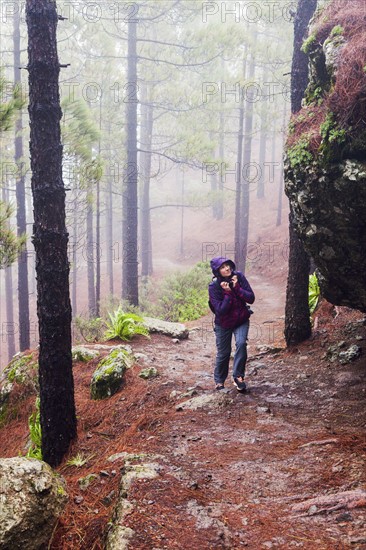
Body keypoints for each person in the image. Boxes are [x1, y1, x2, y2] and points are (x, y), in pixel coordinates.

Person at [209, 257, 255, 392]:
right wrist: (228, 293)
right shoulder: (214, 286)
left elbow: (251, 298)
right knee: (224, 353)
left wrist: (237, 288)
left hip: (241, 320)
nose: (227, 268)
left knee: (241, 343)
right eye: (222, 267)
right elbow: (220, 310)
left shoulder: (238, 277)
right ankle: (219, 381)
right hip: (223, 323)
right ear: (217, 271)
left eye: (227, 265)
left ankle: (238, 376)